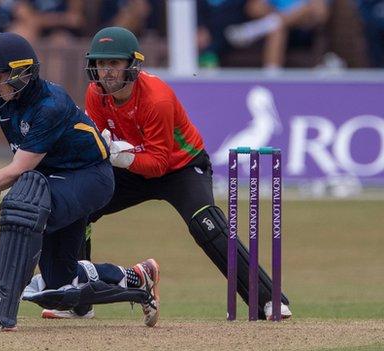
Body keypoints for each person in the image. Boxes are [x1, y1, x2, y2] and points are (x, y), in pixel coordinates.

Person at [0, 32, 160, 331]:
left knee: (21, 206)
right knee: (60, 282)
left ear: (22, 71)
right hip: (50, 181)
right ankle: (137, 279)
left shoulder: (49, 105)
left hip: (90, 178)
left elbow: (17, 169)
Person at [41, 26, 292, 321]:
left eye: (114, 63)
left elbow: (159, 164)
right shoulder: (96, 94)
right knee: (77, 208)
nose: (106, 71)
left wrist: (118, 156)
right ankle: (79, 300)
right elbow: (100, 146)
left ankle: (268, 301)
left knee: (206, 223)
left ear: (131, 65)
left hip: (181, 167)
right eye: (100, 63)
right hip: (131, 167)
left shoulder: (156, 99)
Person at [225, 0, 329, 68]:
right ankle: (272, 78)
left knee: (308, 8)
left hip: (302, 30)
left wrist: (295, 15)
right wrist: (277, 14)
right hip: (277, 28)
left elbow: (321, 14)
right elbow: (253, 8)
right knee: (277, 28)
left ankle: (257, 29)